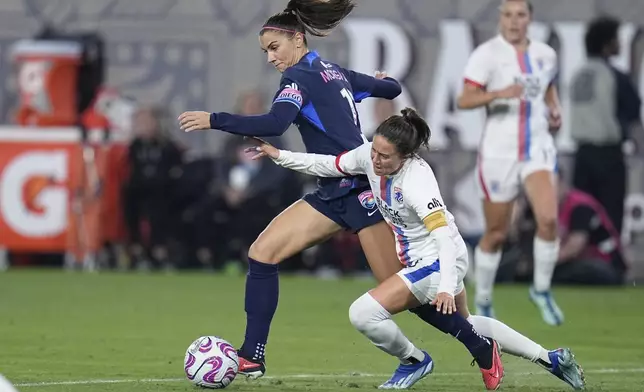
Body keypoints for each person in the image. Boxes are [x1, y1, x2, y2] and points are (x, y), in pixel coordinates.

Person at [177, 0, 484, 379]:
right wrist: (384, 80)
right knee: (262, 252)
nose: (271, 58)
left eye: (274, 48)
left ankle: (477, 346)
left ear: (297, 38)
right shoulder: (334, 72)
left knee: (406, 295)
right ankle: (252, 354)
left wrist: (215, 119)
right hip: (331, 192)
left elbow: (276, 123)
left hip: (360, 192)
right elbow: (389, 86)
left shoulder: (297, 81)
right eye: (265, 51)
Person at [251, 108, 586, 391]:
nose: (376, 160)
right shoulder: (370, 156)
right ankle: (551, 359)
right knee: (467, 322)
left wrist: (444, 286)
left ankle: (414, 360)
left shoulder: (417, 180)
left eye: (385, 156)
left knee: (363, 313)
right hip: (421, 258)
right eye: (374, 152)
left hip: (441, 259)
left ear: (405, 156)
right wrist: (279, 156)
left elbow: (441, 236)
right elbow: (327, 165)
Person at [456, 0, 564, 325]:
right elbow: (464, 99)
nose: (514, 21)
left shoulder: (546, 54)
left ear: (529, 18)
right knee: (497, 233)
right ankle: (484, 299)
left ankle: (541, 289)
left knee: (548, 219)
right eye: (508, 15)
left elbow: (547, 88)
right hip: (499, 152)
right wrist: (498, 93)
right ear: (500, 18)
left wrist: (554, 110)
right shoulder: (486, 55)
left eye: (520, 15)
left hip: (537, 149)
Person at [570, 16, 642, 236]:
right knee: (610, 218)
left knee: (582, 217)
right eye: (616, 39)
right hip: (608, 157)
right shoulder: (614, 76)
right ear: (607, 43)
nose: (620, 44)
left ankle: (585, 263)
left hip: (582, 156)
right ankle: (610, 266)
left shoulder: (578, 75)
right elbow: (633, 116)